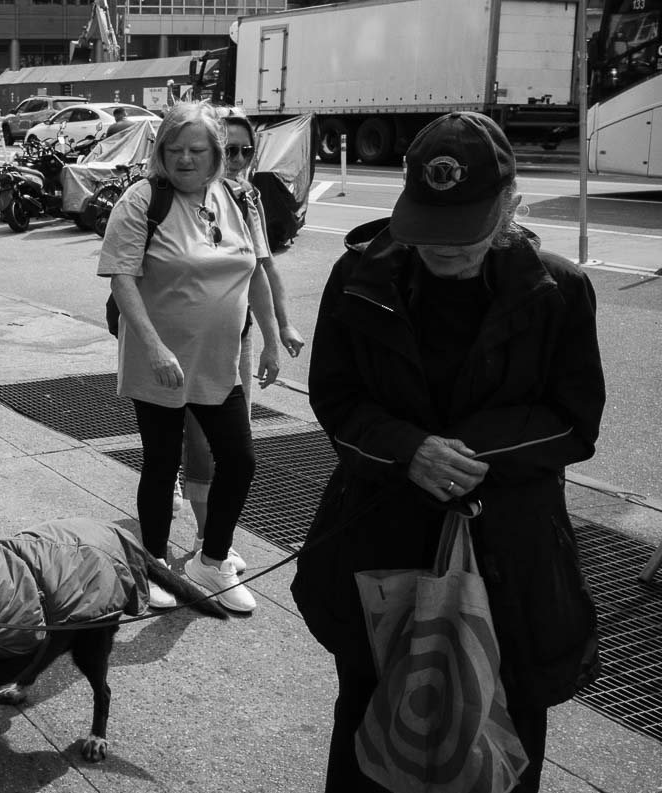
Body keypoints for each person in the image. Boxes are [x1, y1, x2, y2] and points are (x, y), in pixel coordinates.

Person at [291, 111, 605, 793]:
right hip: (381, 538)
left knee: (506, 732)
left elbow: (576, 422)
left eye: (466, 235)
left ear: (510, 206)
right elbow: (336, 400)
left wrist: (464, 452)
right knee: (369, 717)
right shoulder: (360, 275)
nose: (447, 251)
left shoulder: (559, 291)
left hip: (509, 557)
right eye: (431, 233)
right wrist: (408, 450)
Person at [96, 101, 282, 613]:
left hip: (220, 362)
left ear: (216, 153)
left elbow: (256, 271)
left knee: (239, 461)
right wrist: (153, 345)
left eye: (195, 150)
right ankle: (153, 565)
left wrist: (270, 336)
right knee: (160, 464)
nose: (183, 159)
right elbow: (122, 277)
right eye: (172, 149)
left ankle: (212, 557)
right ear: (159, 153)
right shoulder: (142, 200)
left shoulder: (237, 198)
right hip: (160, 362)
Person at [182, 109, 305, 562]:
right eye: (228, 150)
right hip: (191, 343)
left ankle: (213, 535)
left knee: (235, 443)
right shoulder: (186, 198)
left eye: (245, 151)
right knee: (199, 440)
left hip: (238, 337)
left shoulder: (249, 198)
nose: (236, 159)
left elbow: (263, 267)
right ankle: (204, 538)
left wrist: (279, 331)